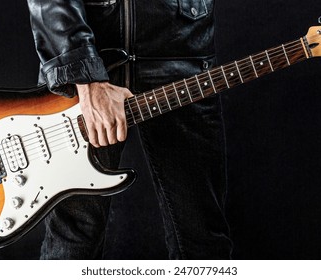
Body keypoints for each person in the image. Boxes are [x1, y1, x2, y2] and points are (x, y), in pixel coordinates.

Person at [26, 0, 232, 259]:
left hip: (183, 57)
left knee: (203, 241)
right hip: (87, 64)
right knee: (72, 245)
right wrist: (83, 73)